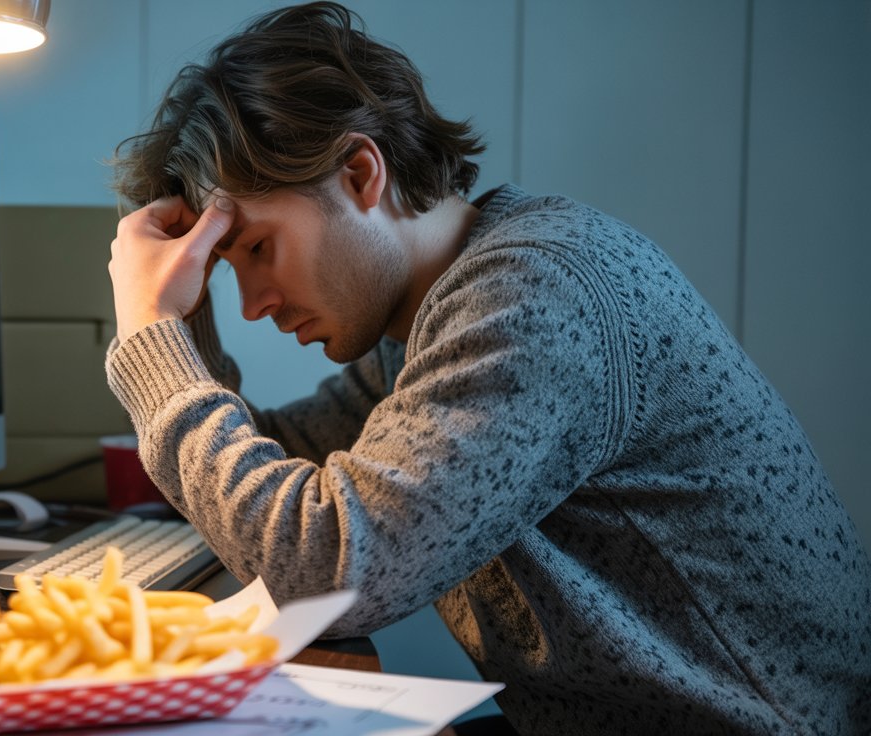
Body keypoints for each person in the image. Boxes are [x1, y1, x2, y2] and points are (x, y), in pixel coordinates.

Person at [103, 3, 871, 734]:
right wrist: (180, 320)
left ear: (361, 175)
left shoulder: (535, 294)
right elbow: (270, 470)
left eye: (259, 250)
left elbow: (326, 568)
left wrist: (150, 339)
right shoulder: (438, 312)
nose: (254, 304)